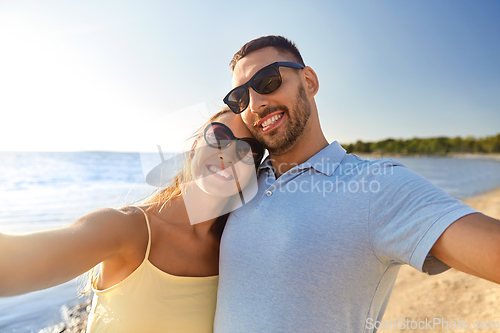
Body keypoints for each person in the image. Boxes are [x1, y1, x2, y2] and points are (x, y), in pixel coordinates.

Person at [214, 35, 500, 332]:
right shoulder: (238, 185)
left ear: (309, 81)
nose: (255, 104)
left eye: (268, 81)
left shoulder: (376, 185)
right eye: (241, 99)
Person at [0, 107, 264, 333]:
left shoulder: (233, 250)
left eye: (247, 150)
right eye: (219, 136)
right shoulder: (126, 229)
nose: (228, 155)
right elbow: (18, 264)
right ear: (195, 146)